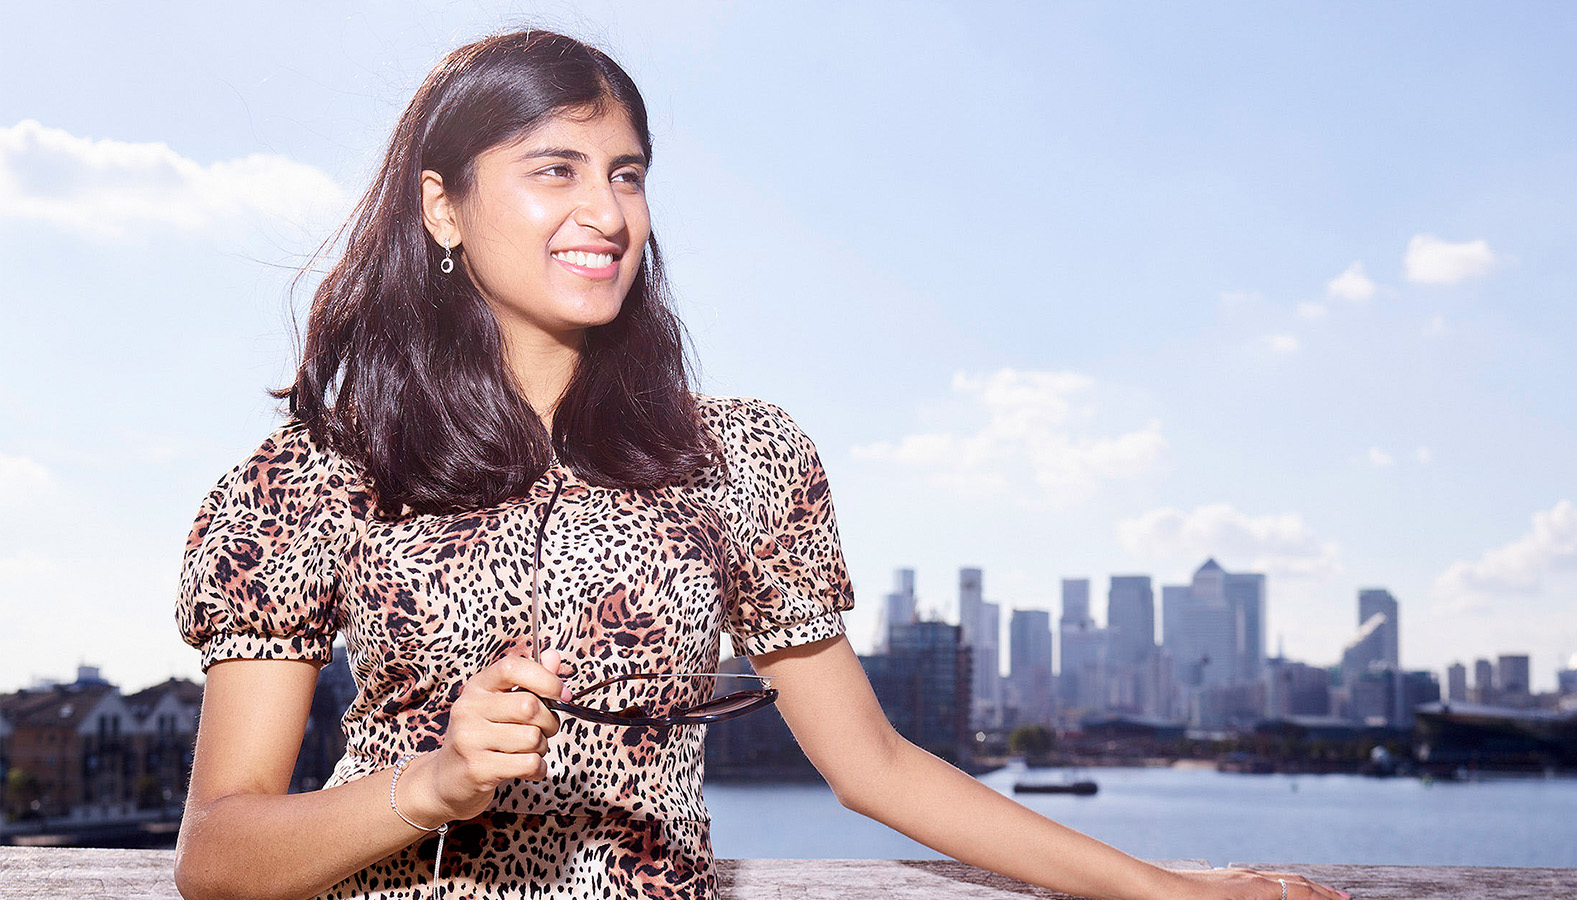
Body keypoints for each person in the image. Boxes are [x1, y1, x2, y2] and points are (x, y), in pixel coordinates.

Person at [173, 28, 1349, 900]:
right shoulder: (315, 477)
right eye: (555, 168)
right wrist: (431, 784)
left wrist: (1173, 892)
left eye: (626, 172)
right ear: (443, 208)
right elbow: (217, 854)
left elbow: (876, 765)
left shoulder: (734, 457)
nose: (607, 210)